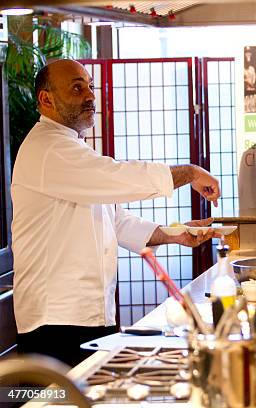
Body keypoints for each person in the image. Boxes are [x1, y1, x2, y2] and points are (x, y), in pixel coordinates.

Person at [11, 59, 221, 367]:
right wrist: (189, 173)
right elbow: (120, 177)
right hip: (54, 320)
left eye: (90, 86)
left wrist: (176, 233)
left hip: (88, 314)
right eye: (77, 87)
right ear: (46, 100)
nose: (90, 96)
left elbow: (116, 221)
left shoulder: (75, 148)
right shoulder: (47, 148)